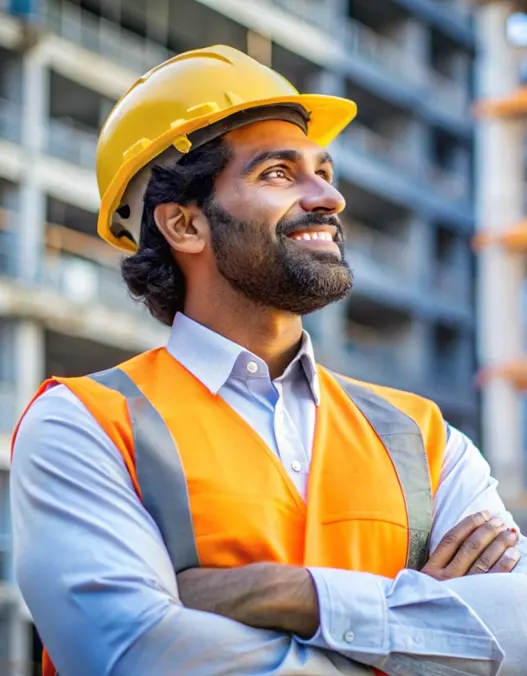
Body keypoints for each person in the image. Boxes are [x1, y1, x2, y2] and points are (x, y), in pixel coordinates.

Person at [9, 45, 527, 676]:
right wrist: (421, 644)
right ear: (183, 224)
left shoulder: (422, 436)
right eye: (279, 174)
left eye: (324, 170)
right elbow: (128, 652)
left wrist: (290, 595)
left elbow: (520, 631)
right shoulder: (84, 425)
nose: (329, 197)